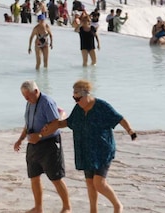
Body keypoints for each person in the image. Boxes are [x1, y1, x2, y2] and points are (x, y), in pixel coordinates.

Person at [41, 80, 137, 213]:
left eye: (78, 98)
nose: (76, 101)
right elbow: (67, 123)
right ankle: (93, 210)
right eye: (74, 98)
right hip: (85, 151)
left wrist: (130, 131)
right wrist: (50, 126)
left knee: (99, 183)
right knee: (90, 184)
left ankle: (117, 205)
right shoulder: (78, 109)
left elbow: (119, 118)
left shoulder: (101, 106)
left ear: (86, 94)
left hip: (102, 150)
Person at [14, 81, 71, 213]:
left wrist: (39, 135)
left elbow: (56, 123)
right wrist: (20, 139)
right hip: (33, 145)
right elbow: (27, 124)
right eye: (24, 97)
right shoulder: (29, 102)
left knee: (55, 177)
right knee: (34, 176)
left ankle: (67, 207)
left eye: (28, 96)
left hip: (49, 144)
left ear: (36, 91)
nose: (26, 99)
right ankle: (38, 207)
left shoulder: (47, 102)